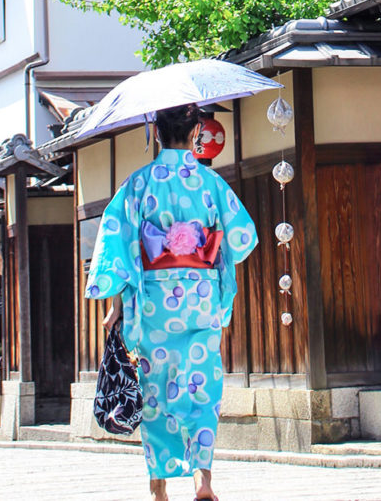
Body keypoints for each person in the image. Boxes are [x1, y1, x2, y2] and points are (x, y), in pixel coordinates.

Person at [85, 103, 257, 501]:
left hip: (154, 303)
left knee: (156, 390)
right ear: (197, 132)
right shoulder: (211, 183)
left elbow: (118, 241)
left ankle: (159, 487)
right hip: (200, 297)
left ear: (156, 132)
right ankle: (203, 479)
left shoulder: (139, 183)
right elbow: (241, 237)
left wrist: (116, 305)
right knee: (202, 387)